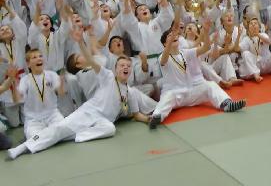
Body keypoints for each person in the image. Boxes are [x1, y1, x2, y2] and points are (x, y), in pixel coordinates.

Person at [7, 28, 149, 160]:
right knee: (59, 129)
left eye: (128, 66)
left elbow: (137, 114)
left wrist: (149, 119)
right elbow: (92, 61)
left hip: (102, 121)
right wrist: (81, 42)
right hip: (89, 112)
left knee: (110, 129)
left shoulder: (129, 91)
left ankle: (77, 135)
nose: (126, 68)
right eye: (122, 66)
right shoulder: (107, 76)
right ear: (116, 69)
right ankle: (22, 148)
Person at [148, 29, 246, 129]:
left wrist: (207, 32)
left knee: (210, 85)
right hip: (175, 93)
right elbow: (164, 60)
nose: (174, 36)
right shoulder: (162, 57)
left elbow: (206, 47)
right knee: (167, 97)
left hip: (192, 92)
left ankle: (226, 104)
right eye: (169, 36)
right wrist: (170, 42)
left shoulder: (185, 53)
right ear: (165, 44)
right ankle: (157, 117)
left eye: (174, 35)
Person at [16, 50, 65, 139]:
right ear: (28, 64)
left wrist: (61, 83)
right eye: (34, 57)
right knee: (34, 138)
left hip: (52, 115)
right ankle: (47, 135)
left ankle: (46, 135)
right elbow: (18, 99)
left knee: (64, 130)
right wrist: (12, 82)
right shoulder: (25, 80)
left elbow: (61, 93)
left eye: (40, 56)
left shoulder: (52, 75)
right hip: (33, 119)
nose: (39, 58)